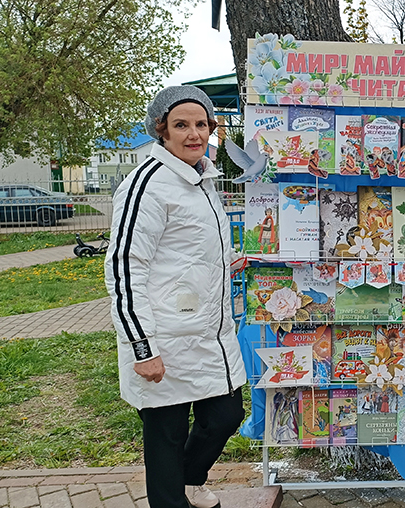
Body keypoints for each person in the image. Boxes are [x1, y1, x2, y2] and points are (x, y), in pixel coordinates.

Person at [105, 86, 247, 508]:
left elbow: (186, 250)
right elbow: (125, 268)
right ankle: (172, 498)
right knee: (165, 436)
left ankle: (190, 479)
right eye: (181, 125)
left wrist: (229, 261)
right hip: (163, 336)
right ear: (161, 129)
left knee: (225, 415)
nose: (193, 133)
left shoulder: (202, 179)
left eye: (201, 124)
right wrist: (142, 347)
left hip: (208, 334)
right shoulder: (147, 184)